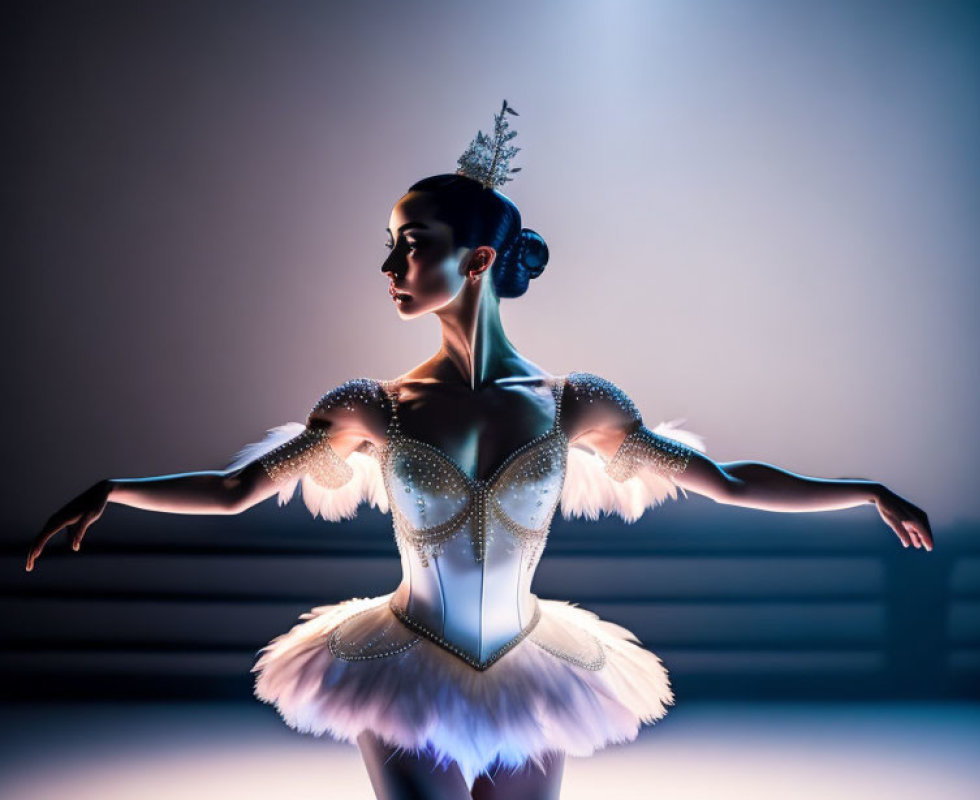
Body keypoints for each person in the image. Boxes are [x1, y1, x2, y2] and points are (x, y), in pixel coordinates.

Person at [25, 101, 933, 800]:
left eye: (411, 247)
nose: (390, 269)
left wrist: (864, 490)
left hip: (531, 668)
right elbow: (233, 491)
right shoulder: (371, 407)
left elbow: (729, 482)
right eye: (389, 248)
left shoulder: (573, 404)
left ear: (482, 261)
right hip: (404, 664)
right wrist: (115, 489)